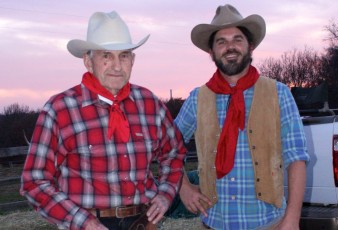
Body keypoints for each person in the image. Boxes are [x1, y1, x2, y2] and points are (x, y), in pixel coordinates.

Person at [20, 11, 186, 230]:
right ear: (88, 61)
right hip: (88, 223)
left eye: (124, 55)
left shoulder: (149, 104)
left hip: (144, 223)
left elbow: (174, 153)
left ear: (133, 60)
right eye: (106, 56)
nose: (117, 66)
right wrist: (83, 222)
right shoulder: (60, 110)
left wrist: (165, 194)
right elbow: (34, 181)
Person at [174, 4, 310, 230]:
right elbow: (167, 147)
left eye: (237, 39)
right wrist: (183, 187)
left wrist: (292, 219)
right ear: (211, 52)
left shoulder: (278, 93)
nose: (230, 47)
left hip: (269, 223)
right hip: (215, 224)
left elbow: (296, 157)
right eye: (221, 41)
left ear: (251, 46)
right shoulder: (198, 98)